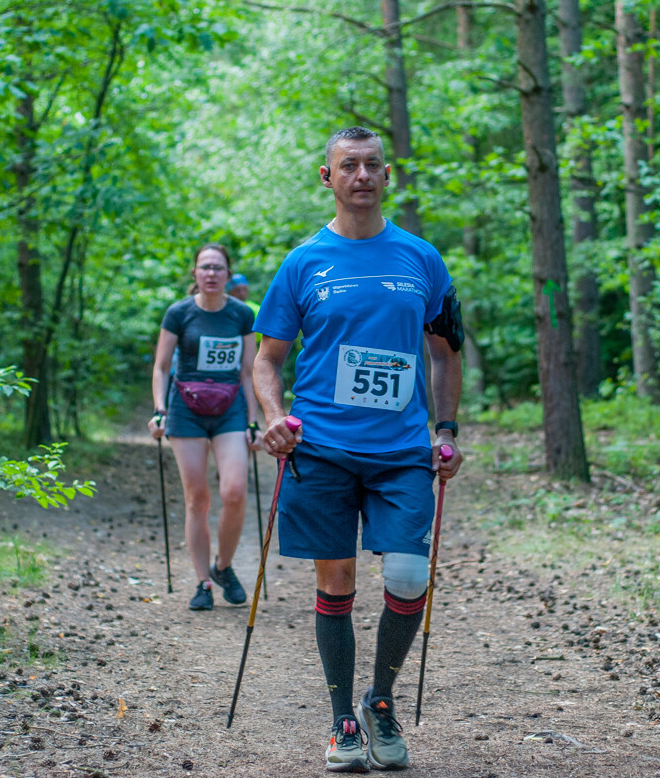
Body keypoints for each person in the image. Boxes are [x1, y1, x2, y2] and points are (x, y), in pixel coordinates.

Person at [253, 126, 464, 772]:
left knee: (406, 577)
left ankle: (381, 699)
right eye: (350, 165)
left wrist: (447, 430)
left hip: (401, 449)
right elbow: (266, 361)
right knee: (336, 581)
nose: (363, 175)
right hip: (321, 448)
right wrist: (273, 417)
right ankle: (344, 717)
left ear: (387, 174)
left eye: (373, 164)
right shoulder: (303, 262)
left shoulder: (422, 259)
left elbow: (445, 352)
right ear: (328, 177)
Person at [147, 244, 262, 611]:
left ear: (228, 274)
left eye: (218, 267)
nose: (211, 273)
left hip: (230, 409)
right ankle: (202, 583)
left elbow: (248, 370)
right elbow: (162, 366)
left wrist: (254, 420)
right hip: (186, 410)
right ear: (194, 274)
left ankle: (223, 567)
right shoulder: (178, 313)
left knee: (235, 491)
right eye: (204, 267)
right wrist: (160, 409)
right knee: (198, 498)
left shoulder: (241, 314)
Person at [227, 273, 262, 346]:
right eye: (237, 290)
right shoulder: (223, 308)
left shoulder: (256, 309)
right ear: (229, 292)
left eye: (244, 289)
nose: (241, 293)